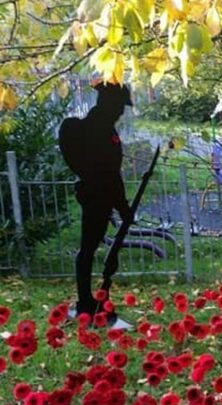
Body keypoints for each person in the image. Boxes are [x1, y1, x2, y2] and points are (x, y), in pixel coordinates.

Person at [58, 82, 133, 327]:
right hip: (98, 195)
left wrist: (121, 206)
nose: (122, 112)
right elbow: (110, 173)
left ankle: (92, 298)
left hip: (100, 194)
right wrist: (123, 207)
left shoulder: (103, 126)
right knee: (88, 249)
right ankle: (86, 301)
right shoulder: (99, 129)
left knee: (89, 248)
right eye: (120, 105)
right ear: (107, 102)